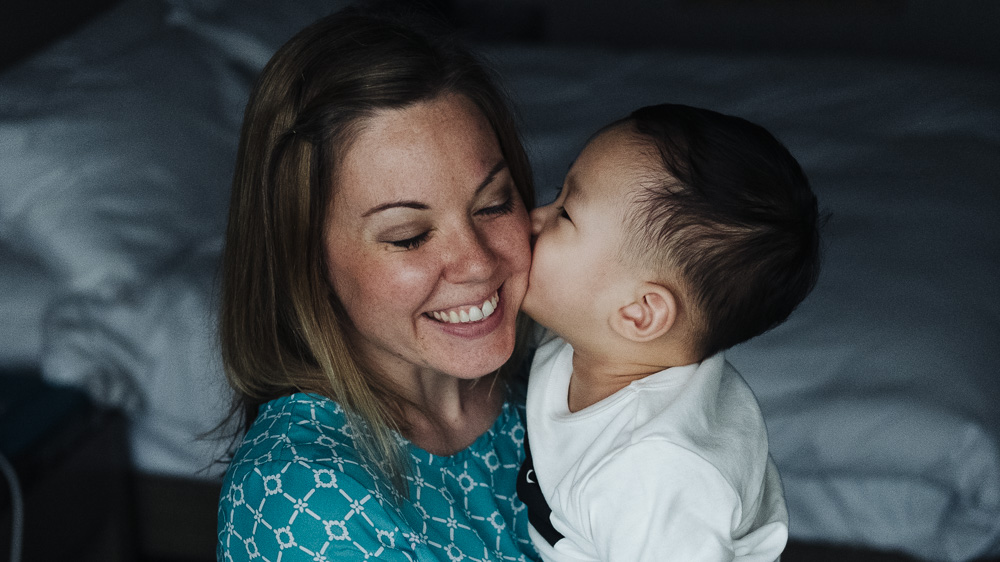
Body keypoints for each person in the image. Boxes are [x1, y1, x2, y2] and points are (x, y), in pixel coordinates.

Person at [216, 7, 541, 561]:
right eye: (409, 237)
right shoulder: (304, 500)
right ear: (306, 262)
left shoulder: (555, 383)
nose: (477, 263)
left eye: (493, 204)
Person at [516, 103, 823, 561]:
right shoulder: (594, 342)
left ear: (639, 313)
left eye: (565, 214)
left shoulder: (656, 471)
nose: (531, 218)